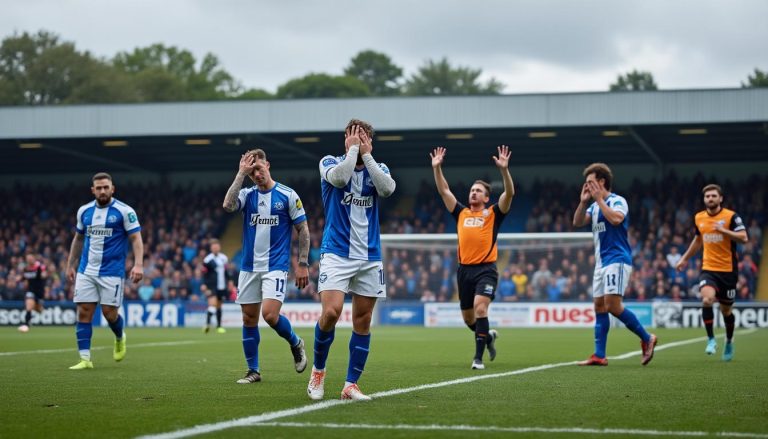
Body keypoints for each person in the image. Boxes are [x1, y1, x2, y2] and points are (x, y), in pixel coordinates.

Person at [307, 119, 396, 401]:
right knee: (331, 313)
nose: (359, 140)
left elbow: (387, 189)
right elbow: (339, 180)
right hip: (336, 252)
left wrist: (366, 155)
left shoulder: (379, 168)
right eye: (354, 135)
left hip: (369, 256)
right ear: (346, 138)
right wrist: (352, 151)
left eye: (364, 136)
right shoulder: (329, 162)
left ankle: (350, 384)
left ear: (371, 141)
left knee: (363, 320)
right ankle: (318, 371)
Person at [223, 148, 310, 384]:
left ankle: (295, 342)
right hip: (249, 266)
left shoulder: (287, 195)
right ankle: (253, 371)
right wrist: (240, 174)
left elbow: (303, 229)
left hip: (276, 265)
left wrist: (302, 263)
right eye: (252, 173)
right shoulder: (247, 194)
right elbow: (228, 205)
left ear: (268, 165)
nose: (256, 175)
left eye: (259, 169)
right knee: (248, 319)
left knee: (270, 315)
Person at [430, 145, 514, 370]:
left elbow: (509, 194)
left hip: (486, 270)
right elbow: (444, 191)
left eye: (478, 191)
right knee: (469, 319)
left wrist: (504, 170)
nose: (473, 193)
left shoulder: (493, 213)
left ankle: (478, 358)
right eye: (472, 190)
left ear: (487, 197)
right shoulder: (461, 213)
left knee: (480, 309)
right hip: (464, 271)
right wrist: (437, 168)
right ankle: (488, 337)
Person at [572, 163, 657, 366]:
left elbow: (616, 219)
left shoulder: (618, 201)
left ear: (602, 181)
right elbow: (577, 222)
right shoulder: (593, 206)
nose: (587, 186)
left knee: (612, 305)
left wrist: (599, 200)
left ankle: (647, 338)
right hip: (601, 263)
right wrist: (583, 202)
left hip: (617, 260)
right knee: (599, 306)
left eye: (590, 182)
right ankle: (599, 355)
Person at [65, 172, 144, 370]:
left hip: (112, 271)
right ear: (93, 190)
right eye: (98, 188)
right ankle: (85, 359)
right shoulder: (84, 211)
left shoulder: (125, 211)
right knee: (84, 312)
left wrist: (138, 264)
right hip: (86, 270)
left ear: (112, 189)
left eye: (105, 187)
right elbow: (78, 239)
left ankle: (119, 336)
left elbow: (136, 238)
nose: (102, 191)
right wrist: (70, 264)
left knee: (109, 314)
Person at [675, 184, 748, 361]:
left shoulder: (731, 216)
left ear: (720, 198)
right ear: (704, 199)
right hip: (708, 268)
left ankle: (729, 340)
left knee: (726, 311)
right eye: (707, 196)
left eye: (714, 196)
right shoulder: (699, 217)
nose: (710, 199)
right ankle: (711, 339)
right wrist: (684, 258)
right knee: (707, 299)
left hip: (728, 271)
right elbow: (697, 240)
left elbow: (744, 238)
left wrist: (723, 231)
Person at [202, 239, 228, 334]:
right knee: (212, 304)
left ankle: (219, 326)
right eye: (214, 247)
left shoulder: (224, 258)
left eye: (217, 246)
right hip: (212, 285)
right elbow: (204, 273)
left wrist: (229, 282)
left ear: (219, 247)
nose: (215, 248)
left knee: (219, 306)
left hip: (222, 286)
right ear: (211, 248)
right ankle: (207, 324)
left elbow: (226, 271)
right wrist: (204, 284)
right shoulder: (207, 260)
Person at [17, 253, 47, 332]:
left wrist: (43, 275)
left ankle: (39, 308)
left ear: (34, 258)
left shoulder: (39, 266)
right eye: (28, 259)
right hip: (31, 291)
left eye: (30, 258)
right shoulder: (26, 268)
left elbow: (44, 274)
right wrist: (19, 279)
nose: (29, 260)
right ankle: (26, 324)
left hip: (40, 292)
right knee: (29, 303)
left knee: (39, 310)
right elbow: (24, 277)